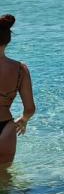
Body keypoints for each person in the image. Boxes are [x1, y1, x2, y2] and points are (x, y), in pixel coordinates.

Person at [0, 15, 36, 167]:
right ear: (8, 41)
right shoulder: (20, 69)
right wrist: (23, 120)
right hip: (6, 129)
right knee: (5, 181)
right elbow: (29, 109)